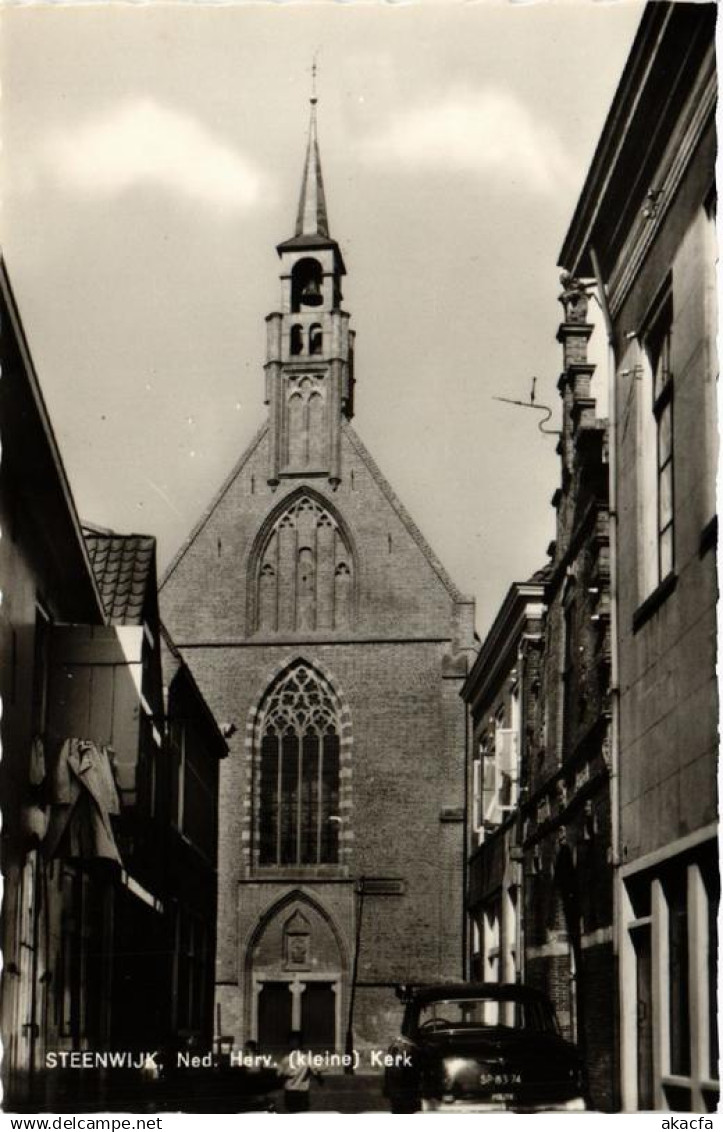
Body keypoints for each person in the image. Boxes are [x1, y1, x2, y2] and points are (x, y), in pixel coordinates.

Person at [279, 1031, 322, 1113]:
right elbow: (316, 1070)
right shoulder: (307, 1058)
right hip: (302, 1091)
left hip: (290, 1091)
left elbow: (279, 1074)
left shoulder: (285, 1059)